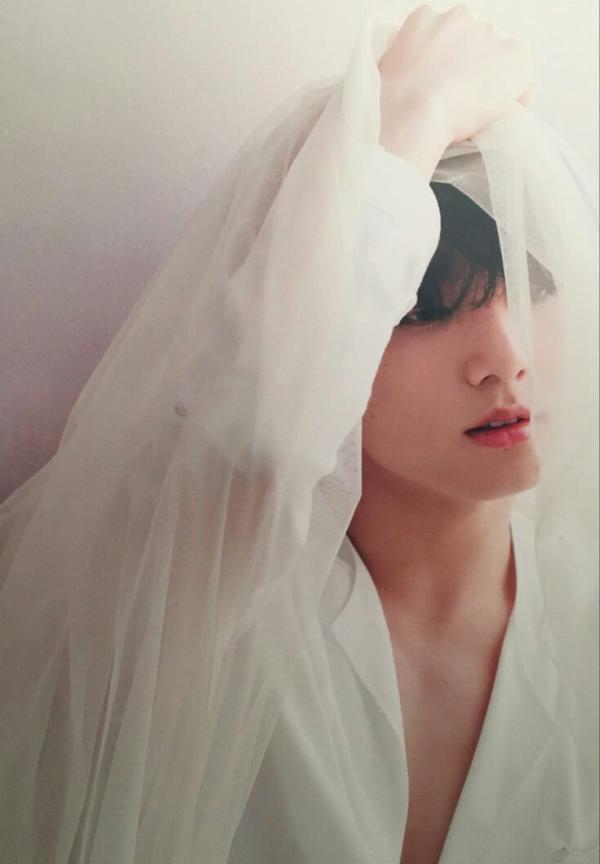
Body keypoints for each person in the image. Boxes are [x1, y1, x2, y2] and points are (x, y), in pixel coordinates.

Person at [0, 6, 597, 864]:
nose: (506, 361)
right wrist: (410, 110)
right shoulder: (194, 602)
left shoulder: (582, 610)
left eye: (532, 288)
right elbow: (259, 429)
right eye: (421, 308)